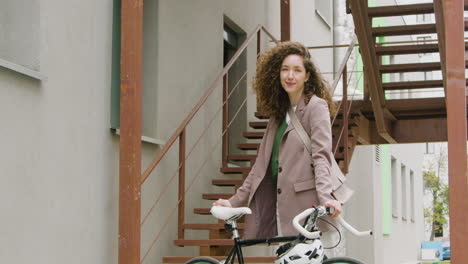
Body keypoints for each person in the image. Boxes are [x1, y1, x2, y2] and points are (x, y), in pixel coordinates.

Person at [213, 42, 342, 242]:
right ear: (278, 74)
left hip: (308, 211)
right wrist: (233, 202)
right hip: (281, 208)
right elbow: (260, 167)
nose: (290, 76)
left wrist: (327, 198)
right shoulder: (278, 116)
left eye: (297, 70)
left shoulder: (315, 107)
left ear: (307, 76)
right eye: (285, 70)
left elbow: (321, 156)